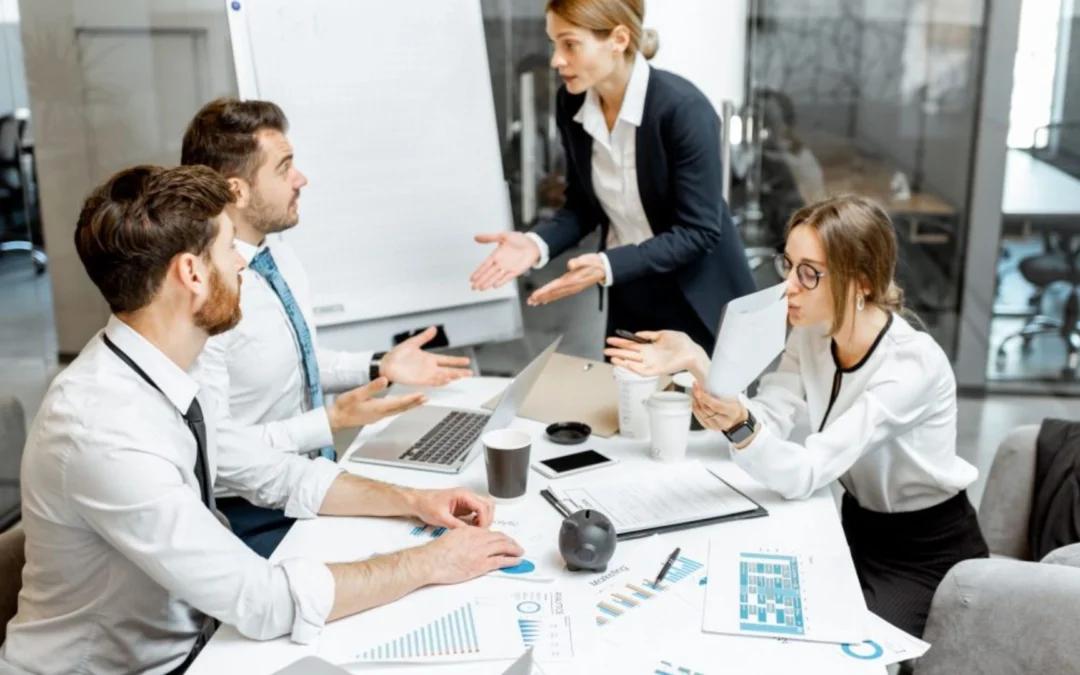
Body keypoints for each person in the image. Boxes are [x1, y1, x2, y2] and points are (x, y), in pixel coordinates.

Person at [0, 165, 522, 674]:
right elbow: (262, 601)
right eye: (230, 248)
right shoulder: (103, 429)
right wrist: (429, 564)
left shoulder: (161, 365)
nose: (244, 265)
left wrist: (413, 502)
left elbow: (274, 472)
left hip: (201, 642)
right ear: (192, 273)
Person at [603, 195, 988, 637]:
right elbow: (769, 417)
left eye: (810, 273)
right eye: (788, 265)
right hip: (858, 526)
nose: (789, 287)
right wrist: (698, 362)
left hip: (928, 553)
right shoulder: (812, 334)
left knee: (836, 648)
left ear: (862, 282)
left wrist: (736, 423)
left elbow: (806, 471)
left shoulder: (910, 365)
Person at [182, 98, 474, 558]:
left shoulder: (278, 255)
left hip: (316, 483)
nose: (301, 179)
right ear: (236, 190)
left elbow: (297, 362)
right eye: (284, 168)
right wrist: (327, 423)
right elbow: (214, 454)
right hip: (252, 514)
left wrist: (380, 365)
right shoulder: (209, 293)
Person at [470, 0, 755, 350]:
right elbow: (582, 206)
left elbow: (699, 231)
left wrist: (606, 264)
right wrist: (535, 243)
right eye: (554, 44)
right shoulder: (572, 102)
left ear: (618, 39)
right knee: (624, 403)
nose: (556, 60)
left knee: (700, 405)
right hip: (629, 290)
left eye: (569, 44)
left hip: (698, 298)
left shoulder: (684, 110)